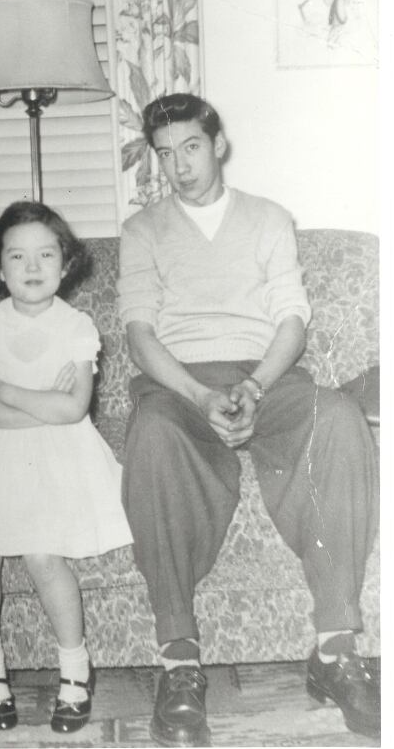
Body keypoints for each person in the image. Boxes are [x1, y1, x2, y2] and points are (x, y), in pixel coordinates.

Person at [117, 93, 380, 747]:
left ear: (219, 145)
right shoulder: (143, 230)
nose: (179, 165)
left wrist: (257, 386)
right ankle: (179, 663)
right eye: (166, 152)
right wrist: (199, 395)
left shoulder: (267, 219)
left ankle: (336, 650)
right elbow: (140, 332)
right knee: (149, 435)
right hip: (178, 382)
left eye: (192, 147)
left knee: (341, 417)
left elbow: (292, 317)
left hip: (268, 373)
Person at [0, 201, 133, 734]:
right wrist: (38, 404)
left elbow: (73, 409)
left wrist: (9, 389)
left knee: (43, 556)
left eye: (45, 254)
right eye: (17, 256)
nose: (32, 267)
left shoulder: (77, 325)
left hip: (58, 460)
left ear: (65, 263)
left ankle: (75, 673)